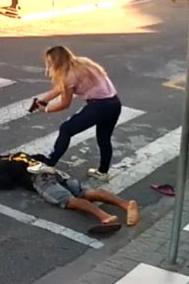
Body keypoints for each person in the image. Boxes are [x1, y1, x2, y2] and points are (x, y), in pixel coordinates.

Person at [0, 150, 140, 229]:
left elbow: (5, 183)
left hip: (38, 178)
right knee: (85, 192)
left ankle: (104, 216)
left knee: (68, 200)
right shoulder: (17, 155)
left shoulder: (0, 165)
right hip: (52, 171)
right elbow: (40, 157)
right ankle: (126, 205)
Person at [30, 45, 121, 182]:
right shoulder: (82, 63)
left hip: (99, 106)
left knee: (66, 129)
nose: (49, 65)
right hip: (114, 104)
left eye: (50, 61)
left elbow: (65, 104)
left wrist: (47, 109)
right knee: (104, 139)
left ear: (57, 61)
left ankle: (49, 164)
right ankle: (103, 172)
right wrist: (44, 100)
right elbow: (60, 88)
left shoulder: (68, 76)